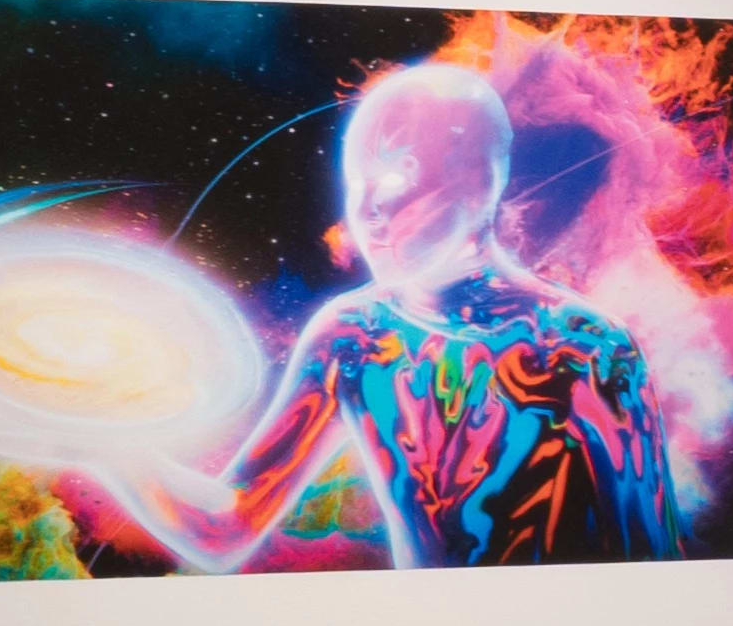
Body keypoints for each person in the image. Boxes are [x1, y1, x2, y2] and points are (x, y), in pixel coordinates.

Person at [83, 64, 678, 570]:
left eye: (396, 175)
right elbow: (227, 530)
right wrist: (103, 443)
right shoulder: (353, 336)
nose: (365, 210)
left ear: (481, 183)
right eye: (355, 180)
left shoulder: (583, 346)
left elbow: (651, 558)